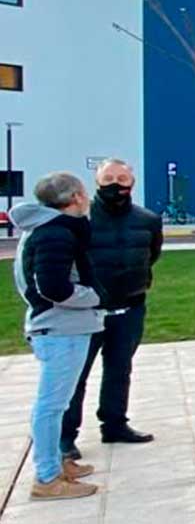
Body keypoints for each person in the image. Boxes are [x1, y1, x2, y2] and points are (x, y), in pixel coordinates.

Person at [13, 172, 106, 500]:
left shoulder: (52, 230)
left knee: (57, 403)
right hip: (60, 329)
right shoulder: (55, 233)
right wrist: (96, 297)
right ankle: (47, 477)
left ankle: (57, 464)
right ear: (77, 197)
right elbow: (52, 287)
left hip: (63, 327)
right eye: (85, 192)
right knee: (51, 406)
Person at [62, 159, 161, 461]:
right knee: (76, 376)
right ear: (96, 183)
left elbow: (151, 255)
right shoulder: (80, 221)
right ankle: (66, 437)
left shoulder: (147, 220)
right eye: (108, 179)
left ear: (132, 183)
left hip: (129, 308)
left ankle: (115, 424)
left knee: (120, 369)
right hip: (86, 312)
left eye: (121, 178)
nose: (115, 184)